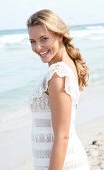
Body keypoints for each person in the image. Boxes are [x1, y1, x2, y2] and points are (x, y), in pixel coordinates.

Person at [27, 9, 90, 170]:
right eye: (32, 41)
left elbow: (62, 136)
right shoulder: (64, 66)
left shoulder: (58, 74)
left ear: (60, 35)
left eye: (44, 39)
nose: (37, 47)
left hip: (63, 164)